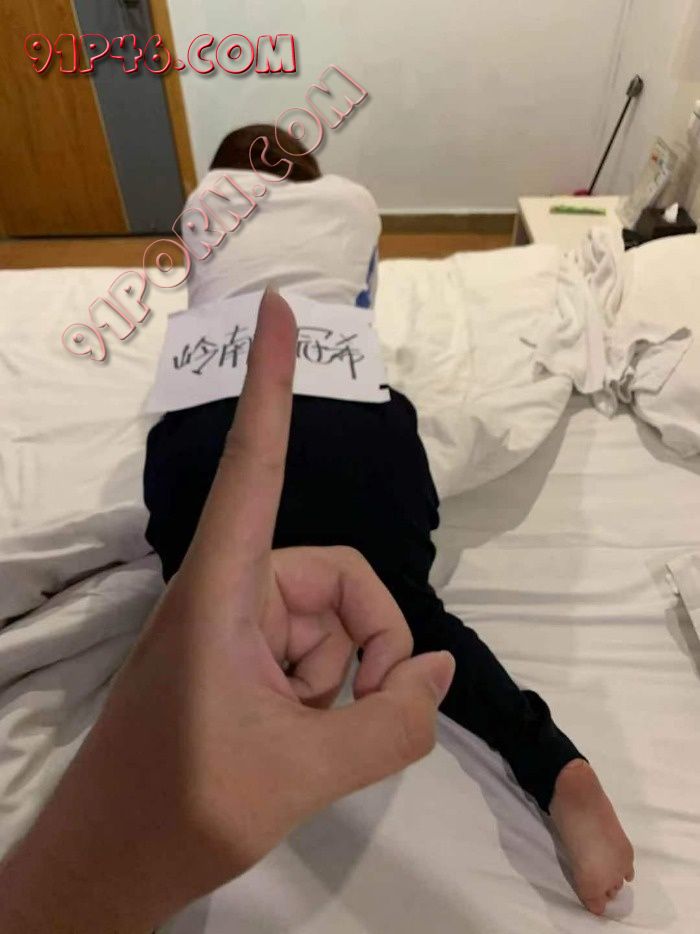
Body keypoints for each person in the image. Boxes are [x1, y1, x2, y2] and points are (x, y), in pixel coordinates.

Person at [146, 126, 635, 917]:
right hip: (354, 431)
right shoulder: (353, 204)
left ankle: (223, 713)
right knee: (410, 607)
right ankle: (553, 767)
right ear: (311, 174)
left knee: (196, 604)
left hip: (214, 428)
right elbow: (359, 307)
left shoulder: (204, 205)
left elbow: (205, 301)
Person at [0, 293, 455, 932]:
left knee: (402, 601)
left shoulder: (222, 221)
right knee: (414, 608)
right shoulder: (323, 237)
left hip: (259, 393)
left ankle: (558, 772)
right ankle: (558, 770)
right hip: (274, 392)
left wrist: (78, 885)